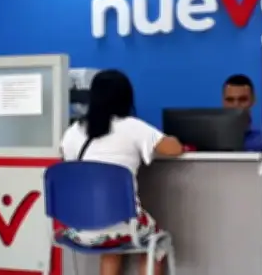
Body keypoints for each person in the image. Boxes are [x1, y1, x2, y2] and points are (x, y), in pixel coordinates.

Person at [60, 70, 184, 275]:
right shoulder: (133, 127)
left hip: (79, 227)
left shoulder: (73, 131)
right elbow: (174, 149)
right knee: (155, 242)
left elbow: (66, 164)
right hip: (122, 226)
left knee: (111, 246)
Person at [222, 74, 262, 151]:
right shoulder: (210, 141)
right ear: (223, 102)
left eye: (243, 99)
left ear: (253, 100)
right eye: (230, 100)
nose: (236, 105)